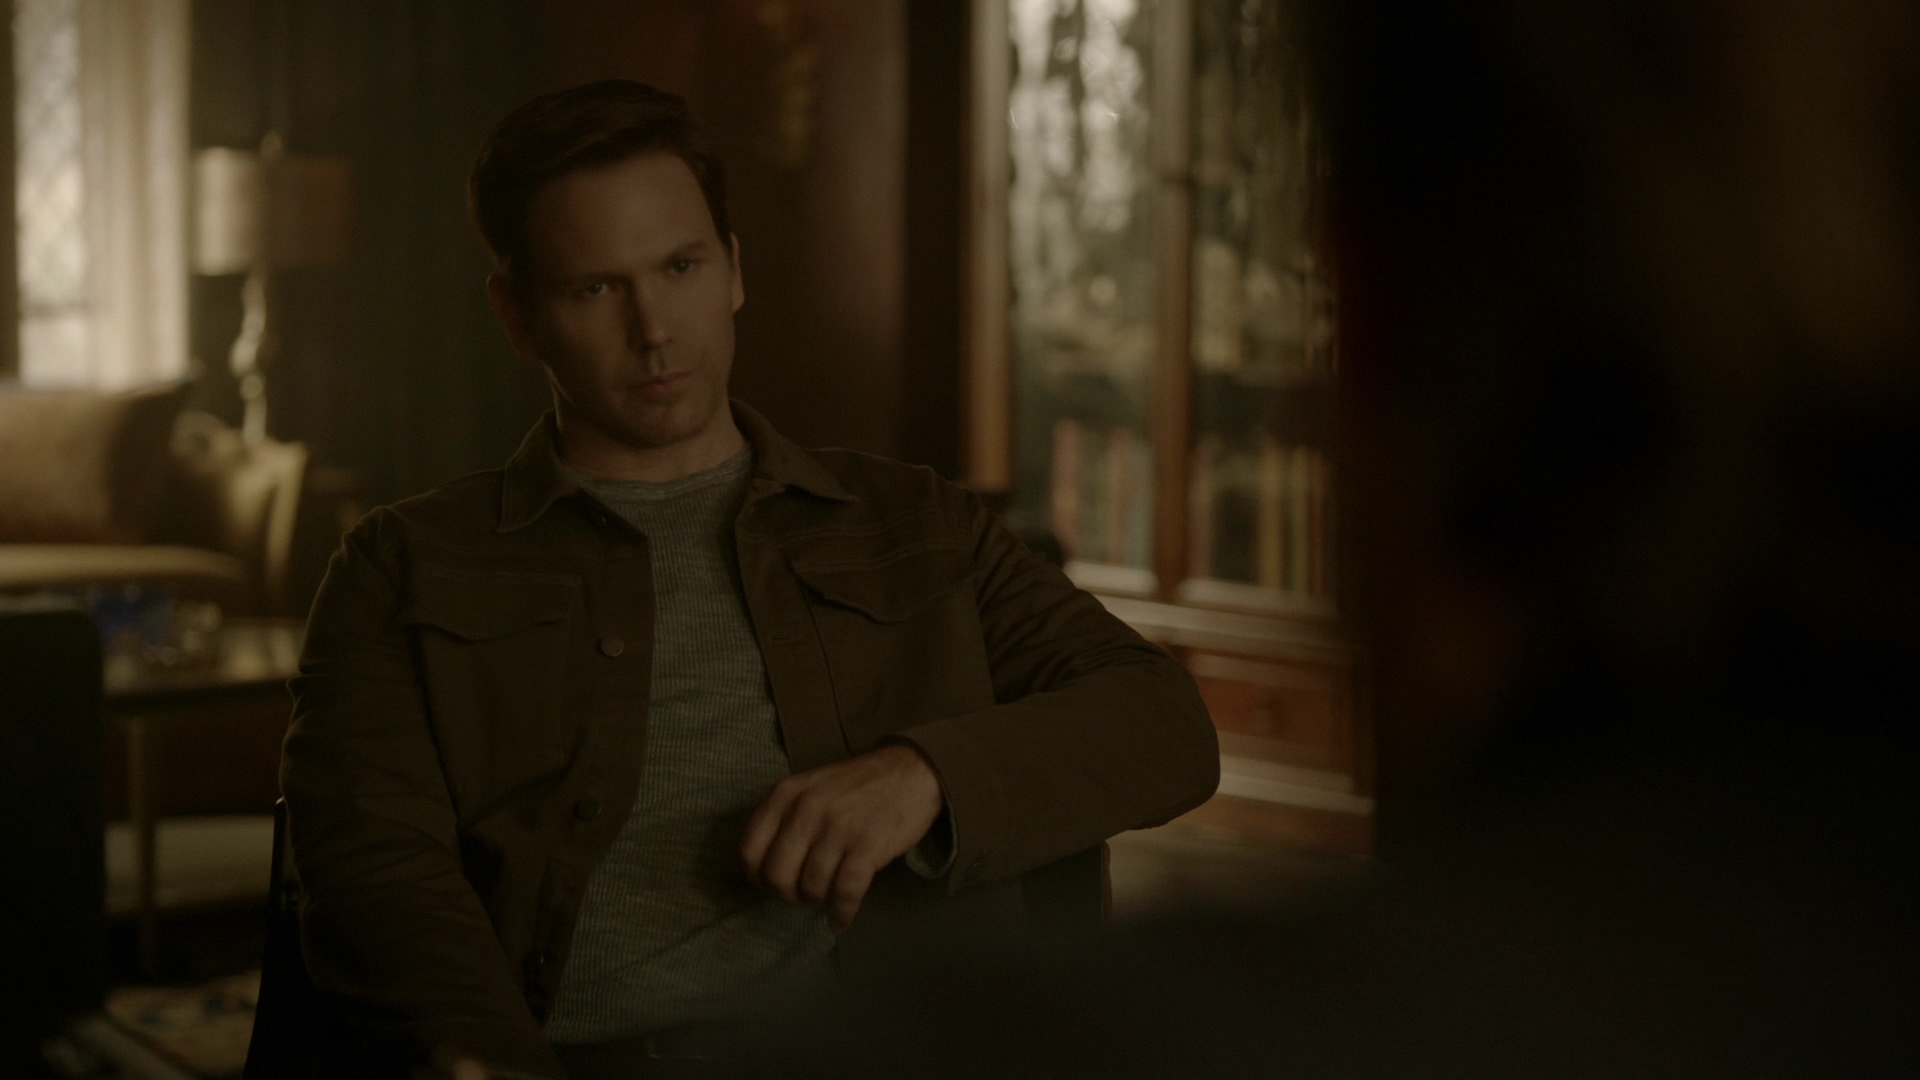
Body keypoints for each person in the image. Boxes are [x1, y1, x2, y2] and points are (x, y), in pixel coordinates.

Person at [278, 79, 1219, 1079]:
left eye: (680, 266)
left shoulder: (917, 523)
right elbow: (379, 881)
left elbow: (1166, 725)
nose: (655, 329)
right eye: (596, 289)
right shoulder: (403, 566)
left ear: (733, 269)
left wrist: (922, 777)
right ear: (518, 316)